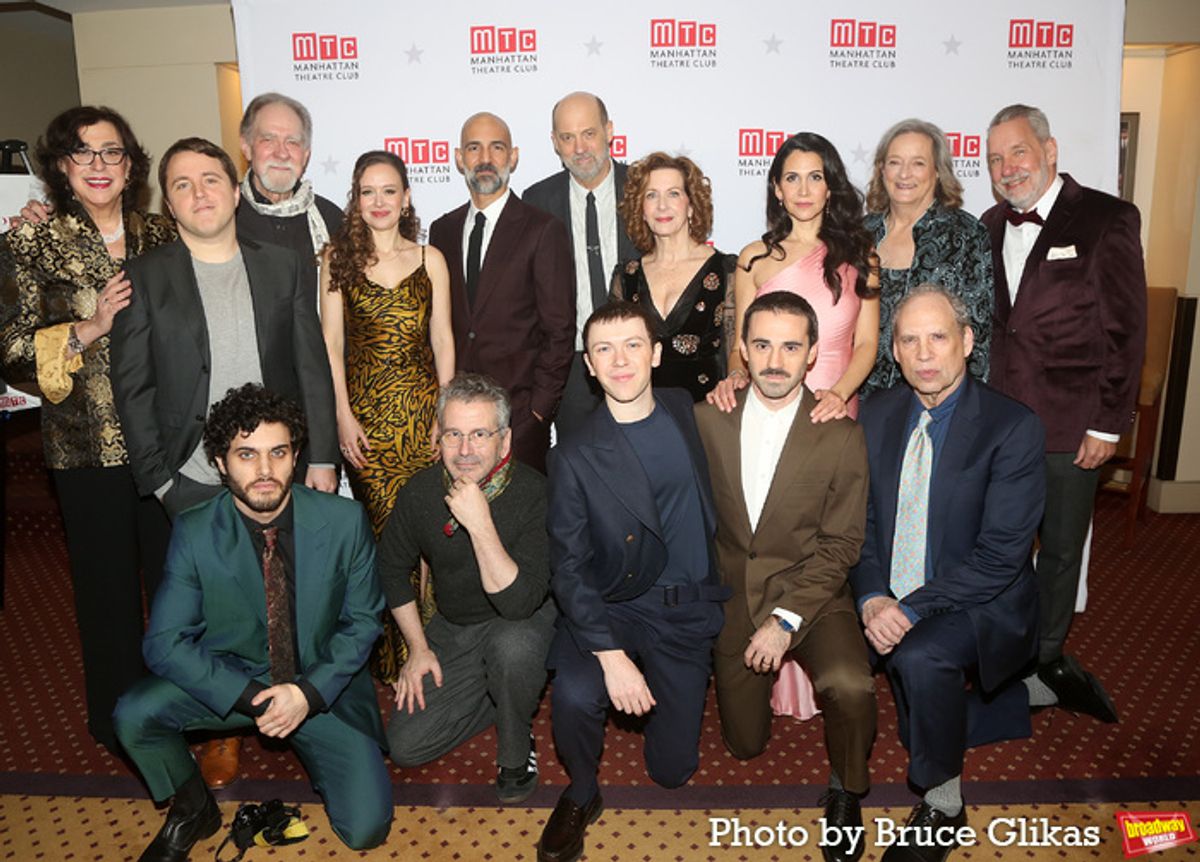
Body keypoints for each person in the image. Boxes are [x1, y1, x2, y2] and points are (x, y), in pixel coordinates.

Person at [110, 136, 340, 788]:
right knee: (211, 615)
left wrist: (322, 456)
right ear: (169, 202)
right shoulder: (143, 277)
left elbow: (311, 365)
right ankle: (222, 729)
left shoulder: (283, 266)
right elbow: (133, 387)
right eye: (181, 184)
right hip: (190, 478)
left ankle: (301, 713)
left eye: (210, 179)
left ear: (234, 190)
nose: (199, 193)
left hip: (277, 475)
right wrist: (159, 481)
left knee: (287, 600)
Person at [112, 384, 391, 861]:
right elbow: (164, 643)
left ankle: (320, 748)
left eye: (278, 453)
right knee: (133, 714)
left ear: (296, 456)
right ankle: (193, 807)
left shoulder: (344, 521)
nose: (264, 471)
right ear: (220, 463)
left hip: (320, 688)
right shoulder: (196, 530)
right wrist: (253, 698)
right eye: (246, 454)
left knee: (366, 830)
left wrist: (305, 694)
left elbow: (364, 622)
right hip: (235, 684)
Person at [0, 106, 174, 755]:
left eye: (112, 151)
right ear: (61, 166)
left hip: (169, 445)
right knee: (107, 596)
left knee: (178, 590)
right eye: (83, 152)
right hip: (86, 447)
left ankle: (186, 710)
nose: (99, 164)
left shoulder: (165, 234)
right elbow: (10, 348)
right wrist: (89, 327)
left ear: (131, 164)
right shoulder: (29, 242)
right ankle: (120, 722)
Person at [851, 285, 1044, 862]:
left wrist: (909, 608)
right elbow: (860, 523)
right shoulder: (877, 414)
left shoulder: (1012, 427)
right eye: (909, 340)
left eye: (938, 336)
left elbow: (1000, 557)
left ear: (967, 340)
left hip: (978, 596)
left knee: (920, 657)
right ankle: (1020, 697)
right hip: (890, 590)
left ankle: (944, 803)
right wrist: (871, 597)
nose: (924, 353)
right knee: (854, 664)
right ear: (894, 351)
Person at [540, 301, 729, 862]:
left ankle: (667, 700)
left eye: (632, 345)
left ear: (656, 353)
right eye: (604, 349)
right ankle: (581, 790)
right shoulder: (574, 455)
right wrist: (610, 655)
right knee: (575, 693)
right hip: (617, 604)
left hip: (686, 608)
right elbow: (568, 567)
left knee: (672, 772)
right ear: (589, 366)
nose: (620, 361)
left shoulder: (682, 407)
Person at [695, 291, 875, 862]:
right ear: (743, 350)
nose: (776, 361)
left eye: (791, 347)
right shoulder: (707, 419)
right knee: (744, 746)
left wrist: (784, 620)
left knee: (850, 684)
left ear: (813, 353)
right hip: (734, 597)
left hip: (811, 593)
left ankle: (848, 788)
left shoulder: (840, 433)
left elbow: (843, 544)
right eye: (763, 345)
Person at [982, 104, 1145, 725]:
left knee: (1058, 553)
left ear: (1050, 151)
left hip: (1072, 428)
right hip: (999, 426)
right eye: (996, 159)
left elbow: (1126, 331)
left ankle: (1043, 660)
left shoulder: (1106, 218)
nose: (1007, 168)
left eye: (1018, 152)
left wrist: (1107, 423)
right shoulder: (989, 224)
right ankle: (1002, 651)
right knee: (999, 548)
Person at [713, 131, 879, 721]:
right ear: (776, 188)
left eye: (815, 177)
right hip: (768, 398)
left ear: (831, 186)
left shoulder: (859, 254)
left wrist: (837, 394)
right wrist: (736, 378)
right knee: (767, 524)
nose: (804, 189)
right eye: (792, 177)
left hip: (833, 404)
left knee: (825, 534)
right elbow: (741, 344)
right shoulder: (752, 259)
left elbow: (867, 342)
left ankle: (813, 644)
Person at [379, 373, 555, 804]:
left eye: (479, 434)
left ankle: (516, 746)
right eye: (453, 434)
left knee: (512, 649)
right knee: (405, 747)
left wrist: (479, 523)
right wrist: (418, 648)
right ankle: (504, 694)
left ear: (504, 440)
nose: (464, 450)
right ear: (438, 438)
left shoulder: (534, 492)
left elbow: (517, 604)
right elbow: (390, 569)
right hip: (455, 625)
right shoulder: (421, 491)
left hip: (521, 622)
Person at [429, 112, 574, 472]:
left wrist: (538, 410)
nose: (485, 159)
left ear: (513, 156)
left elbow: (560, 329)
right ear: (459, 158)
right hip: (457, 425)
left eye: (496, 148)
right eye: (473, 148)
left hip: (518, 420)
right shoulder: (442, 231)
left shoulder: (542, 229)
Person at [524, 91, 637, 440]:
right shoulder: (537, 201)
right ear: (554, 143)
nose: (580, 148)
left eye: (588, 134)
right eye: (567, 138)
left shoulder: (643, 188)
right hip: (571, 366)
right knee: (580, 462)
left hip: (638, 357)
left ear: (609, 131)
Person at [861, 118, 993, 397]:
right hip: (864, 400)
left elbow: (978, 335)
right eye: (894, 162)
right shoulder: (860, 235)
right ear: (882, 169)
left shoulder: (966, 234)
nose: (904, 174)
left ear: (937, 172)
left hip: (937, 398)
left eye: (918, 163)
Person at [610, 152, 734, 402]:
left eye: (673, 194)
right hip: (641, 412)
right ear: (641, 210)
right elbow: (614, 353)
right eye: (651, 195)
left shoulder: (726, 270)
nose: (662, 205)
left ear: (691, 206)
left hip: (708, 411)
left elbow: (739, 352)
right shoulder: (626, 277)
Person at [235, 92, 343, 281]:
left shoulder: (332, 221)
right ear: (246, 147)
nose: (282, 153)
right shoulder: (224, 216)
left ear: (306, 155)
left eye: (292, 142)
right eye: (268, 139)